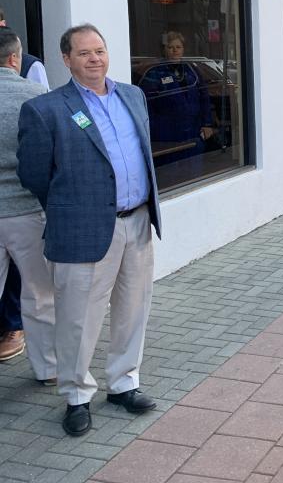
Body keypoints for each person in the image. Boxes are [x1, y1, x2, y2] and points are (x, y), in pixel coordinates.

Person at [17, 24, 162, 437]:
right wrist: (71, 207)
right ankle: (77, 395)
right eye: (84, 53)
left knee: (134, 308)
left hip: (137, 222)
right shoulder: (46, 109)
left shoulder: (132, 95)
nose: (95, 59)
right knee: (78, 319)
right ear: (66, 59)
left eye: (99, 50)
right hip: (82, 229)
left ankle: (123, 383)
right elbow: (34, 174)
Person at [0, 29, 56, 381]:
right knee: (39, 294)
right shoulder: (37, 97)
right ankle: (49, 368)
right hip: (25, 210)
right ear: (14, 59)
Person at [137, 30, 214, 166]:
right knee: (173, 176)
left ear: (183, 49)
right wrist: (154, 131)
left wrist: (207, 124)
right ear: (164, 50)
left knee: (194, 176)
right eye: (170, 47)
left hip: (193, 134)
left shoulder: (192, 70)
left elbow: (204, 98)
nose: (175, 51)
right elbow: (145, 105)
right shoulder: (155, 72)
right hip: (167, 138)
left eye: (178, 47)